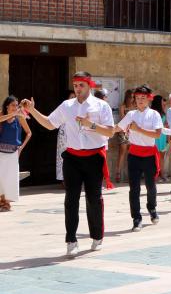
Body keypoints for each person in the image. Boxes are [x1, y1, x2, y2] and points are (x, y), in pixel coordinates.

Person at [22, 72, 115, 255]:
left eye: (81, 85)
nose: (78, 89)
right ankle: (71, 241)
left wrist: (91, 125)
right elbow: (50, 124)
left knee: (93, 199)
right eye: (75, 85)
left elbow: (111, 132)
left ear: (89, 86)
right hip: (72, 157)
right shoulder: (67, 106)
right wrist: (32, 110)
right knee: (70, 199)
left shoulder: (101, 106)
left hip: (94, 157)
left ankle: (97, 236)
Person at [116, 85, 164, 231]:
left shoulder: (154, 114)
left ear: (148, 99)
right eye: (137, 98)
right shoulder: (131, 115)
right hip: (134, 155)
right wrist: (96, 128)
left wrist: (138, 130)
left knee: (150, 186)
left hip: (149, 155)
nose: (140, 100)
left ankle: (152, 208)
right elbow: (117, 128)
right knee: (134, 189)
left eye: (143, 98)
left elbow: (157, 134)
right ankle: (136, 218)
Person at [0, 96, 32, 211]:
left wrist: (21, 148)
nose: (15, 107)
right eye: (13, 105)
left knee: (10, 178)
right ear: (7, 106)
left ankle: (6, 203)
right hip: (0, 153)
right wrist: (12, 114)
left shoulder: (19, 118)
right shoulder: (2, 115)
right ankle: (1, 201)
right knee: (1, 178)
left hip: (13, 153)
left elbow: (29, 133)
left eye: (16, 105)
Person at [56, 89, 77, 184]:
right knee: (63, 155)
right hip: (64, 133)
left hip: (74, 133)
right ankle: (64, 179)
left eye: (74, 97)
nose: (74, 99)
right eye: (72, 97)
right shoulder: (64, 108)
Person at [151, 95, 170, 183]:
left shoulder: (163, 112)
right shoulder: (153, 113)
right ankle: (155, 174)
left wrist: (167, 138)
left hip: (162, 136)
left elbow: (166, 125)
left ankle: (162, 174)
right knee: (154, 156)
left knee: (162, 156)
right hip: (155, 136)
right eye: (162, 101)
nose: (164, 103)